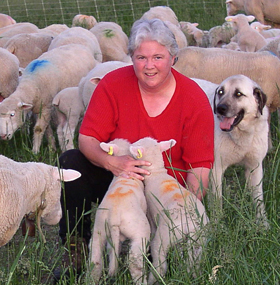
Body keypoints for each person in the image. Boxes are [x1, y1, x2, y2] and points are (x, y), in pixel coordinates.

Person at [56, 17, 214, 276]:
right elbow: (88, 139)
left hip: (163, 190)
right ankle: (76, 246)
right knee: (71, 162)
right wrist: (113, 163)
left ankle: (164, 249)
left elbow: (199, 170)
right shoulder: (112, 85)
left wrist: (181, 214)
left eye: (158, 57)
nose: (149, 66)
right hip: (118, 179)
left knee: (158, 254)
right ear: (131, 57)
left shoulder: (193, 98)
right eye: (141, 57)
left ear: (173, 57)